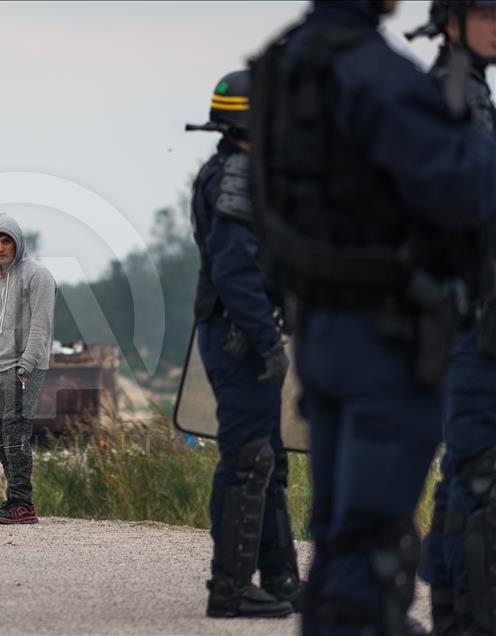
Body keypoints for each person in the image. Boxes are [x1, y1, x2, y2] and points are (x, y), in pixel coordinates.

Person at [249, 1, 496, 634]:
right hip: (386, 338)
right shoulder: (375, 72)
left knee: (340, 540)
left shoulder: (287, 59)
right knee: (373, 547)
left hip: (326, 327)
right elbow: (465, 192)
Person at [185, 69, 300, 619]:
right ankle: (229, 591)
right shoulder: (235, 176)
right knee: (248, 460)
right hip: (239, 338)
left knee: (268, 460)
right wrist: (266, 341)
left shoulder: (240, 172)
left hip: (245, 334)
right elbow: (235, 272)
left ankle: (280, 580)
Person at [407, 2, 496, 634]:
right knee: (478, 476)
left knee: (462, 473)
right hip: (469, 321)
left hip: (463, 317)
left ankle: (451, 613)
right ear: (453, 20)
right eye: (486, 12)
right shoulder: (456, 95)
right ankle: (470, 618)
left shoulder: (468, 92)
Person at [0, 213, 56, 524]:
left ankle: (23, 504)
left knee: (15, 434)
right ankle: (14, 499)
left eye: (5, 241)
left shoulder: (39, 276)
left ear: (17, 242)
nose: (0, 248)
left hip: (23, 369)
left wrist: (25, 367)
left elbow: (41, 328)